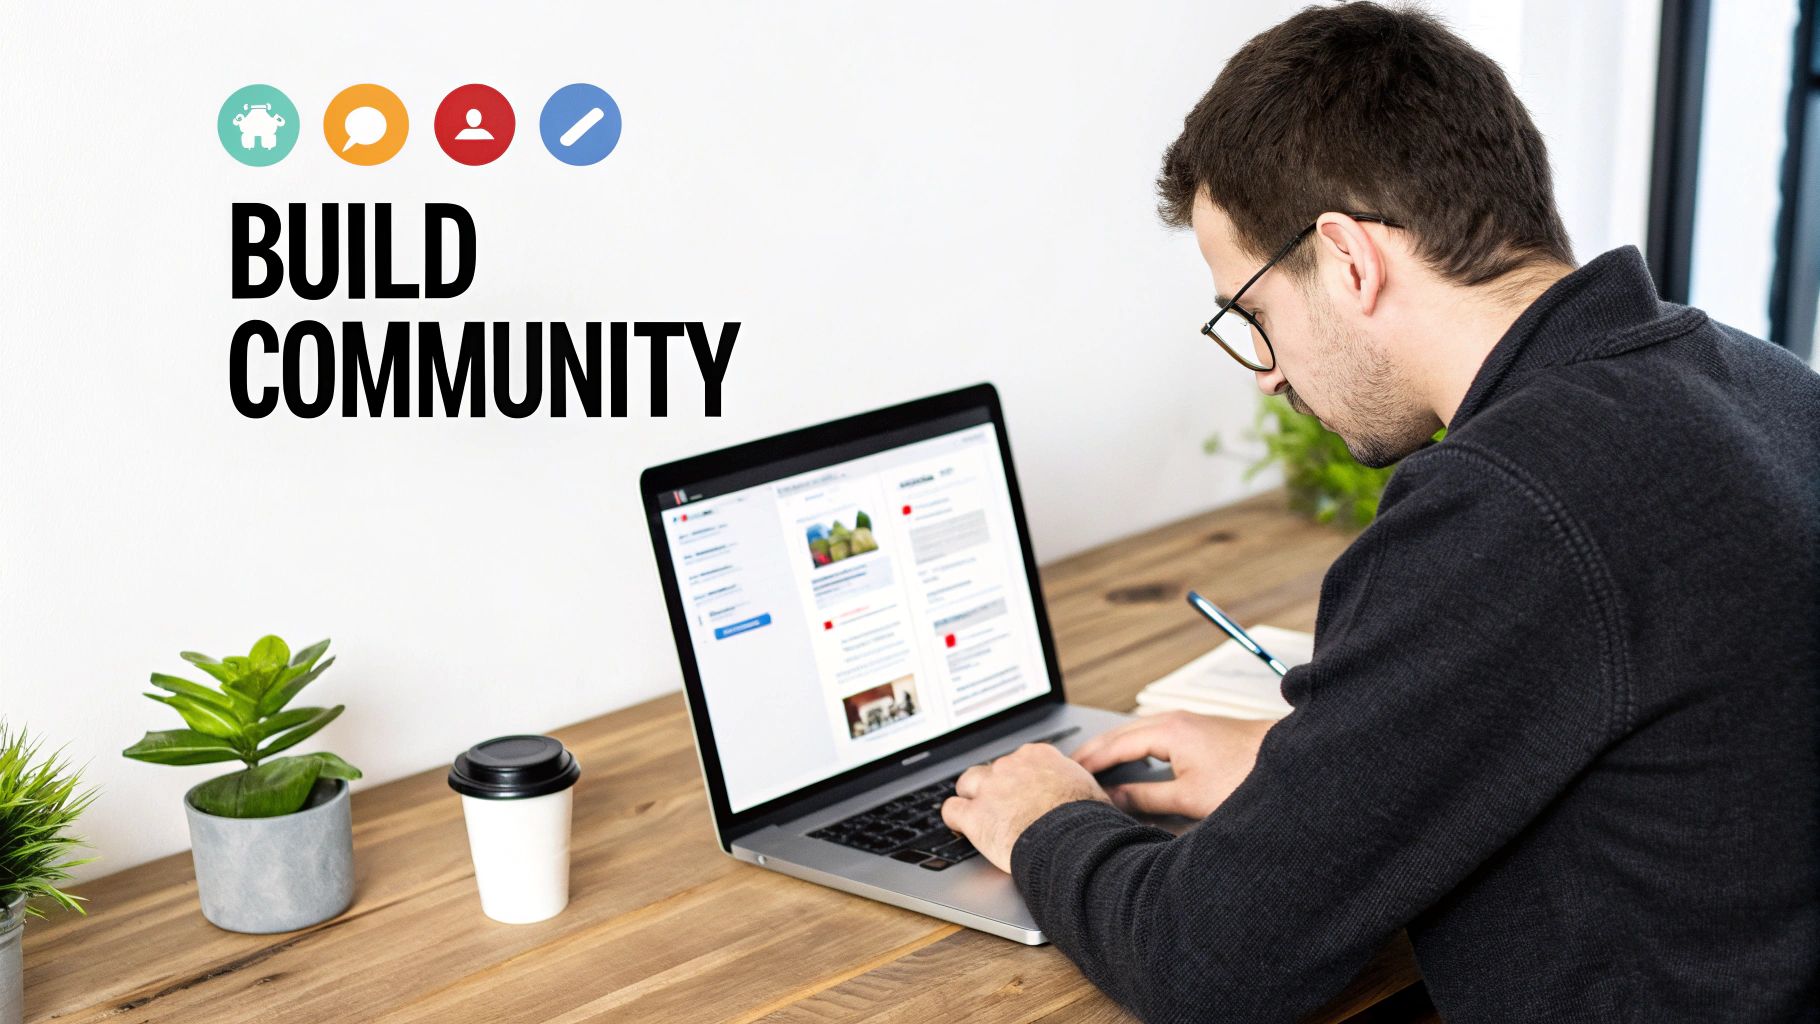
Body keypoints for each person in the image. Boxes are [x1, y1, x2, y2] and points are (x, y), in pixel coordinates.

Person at [939, 4, 1820, 1021]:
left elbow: (1204, 962)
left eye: (1254, 315)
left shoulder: (1511, 500)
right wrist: (1312, 777)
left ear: (1349, 258)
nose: (1266, 375)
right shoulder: (1768, 385)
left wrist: (1047, 822)